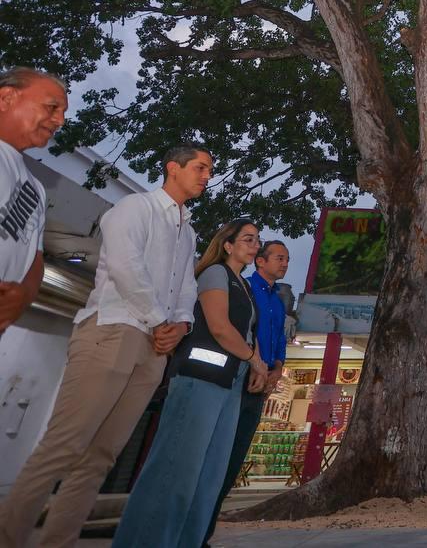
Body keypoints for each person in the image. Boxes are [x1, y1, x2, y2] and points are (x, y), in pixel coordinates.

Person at [0, 143, 212, 548]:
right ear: (172, 167)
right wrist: (159, 319)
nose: (206, 176)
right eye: (200, 167)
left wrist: (181, 324)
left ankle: (57, 541)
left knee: (100, 458)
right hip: (114, 330)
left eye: (209, 170)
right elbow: (124, 265)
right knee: (63, 448)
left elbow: (186, 286)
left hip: (154, 348)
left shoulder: (188, 232)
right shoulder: (135, 209)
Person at [113, 219, 268, 547]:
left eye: (258, 240)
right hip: (201, 380)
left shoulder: (246, 286)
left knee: (208, 477)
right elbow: (219, 326)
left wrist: (254, 365)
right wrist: (254, 359)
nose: (256, 245)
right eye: (248, 239)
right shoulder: (215, 274)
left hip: (230, 385)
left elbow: (245, 334)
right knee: (175, 471)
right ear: (227, 244)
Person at [203, 239, 291, 545]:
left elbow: (279, 338)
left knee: (234, 458)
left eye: (288, 259)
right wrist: (254, 364)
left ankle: (205, 531)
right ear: (261, 262)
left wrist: (277, 368)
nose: (285, 263)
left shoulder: (278, 302)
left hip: (260, 386)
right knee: (215, 456)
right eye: (279, 257)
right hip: (237, 377)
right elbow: (241, 332)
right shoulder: (245, 289)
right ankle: (193, 530)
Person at [0, 68, 66, 337]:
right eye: (52, 107)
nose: (60, 120)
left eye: (62, 113)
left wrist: (23, 295)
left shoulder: (36, 190)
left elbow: (35, 259)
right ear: (6, 98)